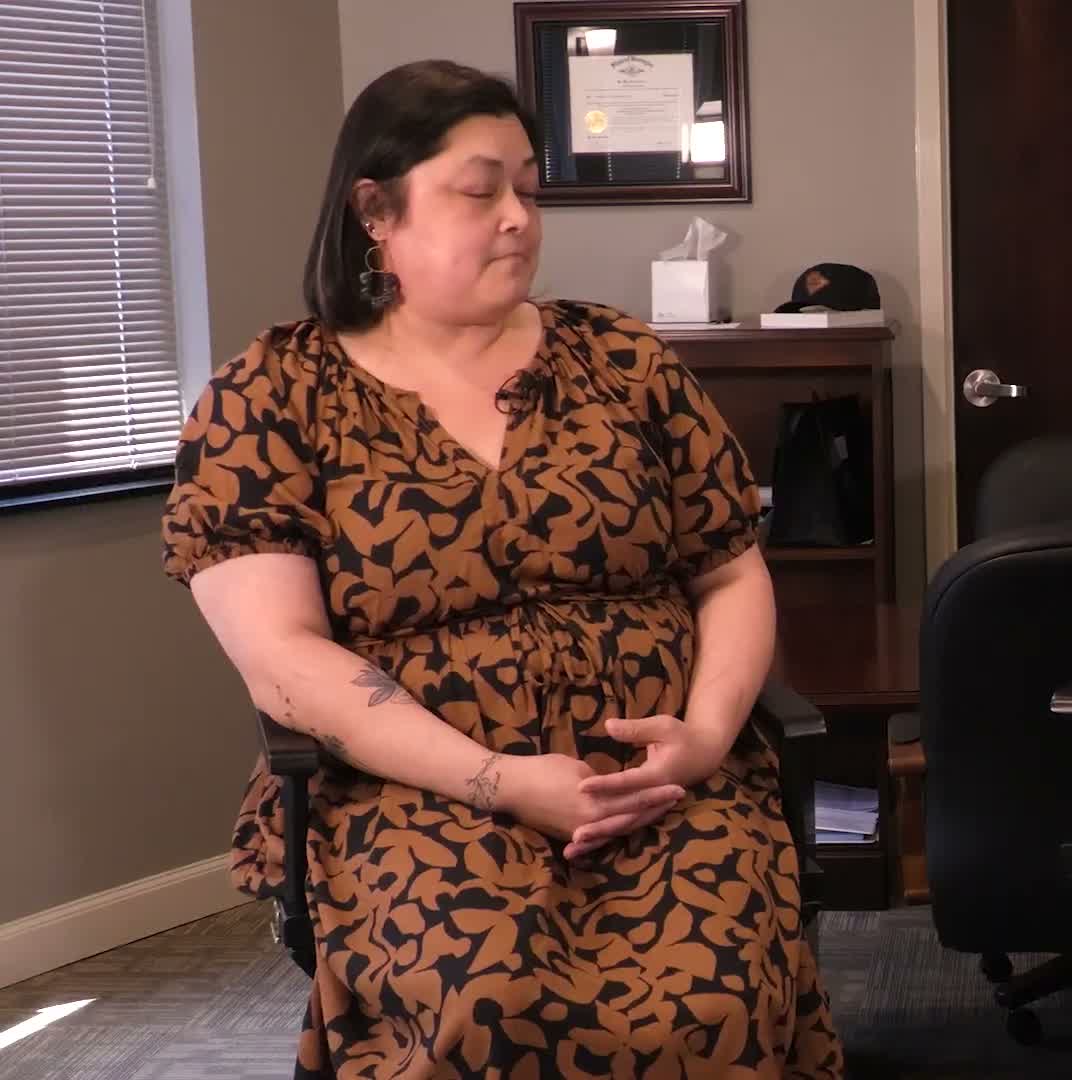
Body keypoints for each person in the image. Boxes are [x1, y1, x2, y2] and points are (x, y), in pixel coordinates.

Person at [161, 60, 841, 1078]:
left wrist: (701, 740)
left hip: (653, 778)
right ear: (375, 212)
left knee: (714, 996)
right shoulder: (272, 397)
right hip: (419, 791)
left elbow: (729, 571)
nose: (520, 217)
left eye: (528, 188)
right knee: (489, 998)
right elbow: (283, 659)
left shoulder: (622, 360)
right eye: (480, 192)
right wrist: (501, 782)